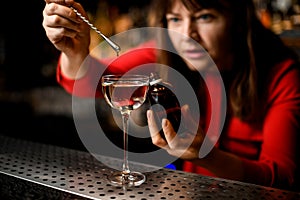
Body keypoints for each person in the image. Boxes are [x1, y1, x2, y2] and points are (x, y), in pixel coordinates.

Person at [42, 0, 300, 191]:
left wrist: (207, 155)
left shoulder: (282, 75)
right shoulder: (169, 55)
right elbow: (99, 82)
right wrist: (76, 53)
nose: (187, 35)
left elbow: (283, 180)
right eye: (175, 20)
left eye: (205, 16)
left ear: (238, 20)